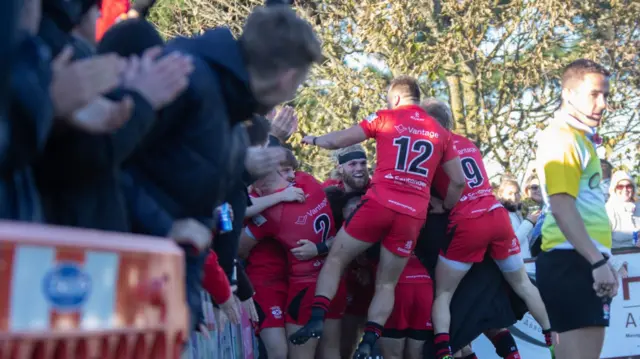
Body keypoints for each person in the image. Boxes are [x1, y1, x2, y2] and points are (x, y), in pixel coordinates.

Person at [289, 76, 466, 359]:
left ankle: (317, 318)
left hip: (379, 203)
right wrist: (444, 206)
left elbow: (338, 140)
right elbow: (458, 181)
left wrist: (313, 139)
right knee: (387, 283)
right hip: (412, 215)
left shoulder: (387, 117)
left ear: (395, 97)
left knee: (336, 258)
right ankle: (370, 340)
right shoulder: (441, 132)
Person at [421, 98, 552, 359]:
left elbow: (452, 185)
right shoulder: (468, 143)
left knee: (444, 292)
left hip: (470, 221)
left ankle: (445, 350)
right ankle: (552, 336)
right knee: (523, 284)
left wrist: (442, 205)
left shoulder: (435, 145)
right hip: (497, 214)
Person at [535, 59, 618, 359]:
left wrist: (603, 260)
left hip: (575, 260)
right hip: (572, 261)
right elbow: (560, 204)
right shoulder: (563, 137)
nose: (603, 104)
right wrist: (597, 262)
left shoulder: (581, 138)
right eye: (594, 94)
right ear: (568, 95)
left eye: (606, 95)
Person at [240, 170, 347, 359]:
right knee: (327, 350)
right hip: (323, 278)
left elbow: (240, 247)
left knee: (300, 353)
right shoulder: (308, 182)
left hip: (303, 284)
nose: (290, 175)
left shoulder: (272, 212)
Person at [605, 170, 639, 278]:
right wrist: (616, 265)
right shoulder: (608, 211)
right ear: (614, 189)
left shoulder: (638, 207)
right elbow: (599, 247)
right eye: (620, 186)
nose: (625, 189)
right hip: (619, 273)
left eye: (629, 186)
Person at [496, 178, 540, 259]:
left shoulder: (516, 212)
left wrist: (536, 223)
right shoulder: (500, 214)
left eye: (516, 193)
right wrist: (529, 221)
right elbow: (513, 243)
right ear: (501, 195)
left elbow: (527, 241)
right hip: (517, 267)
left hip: (527, 263)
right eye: (510, 193)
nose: (514, 197)